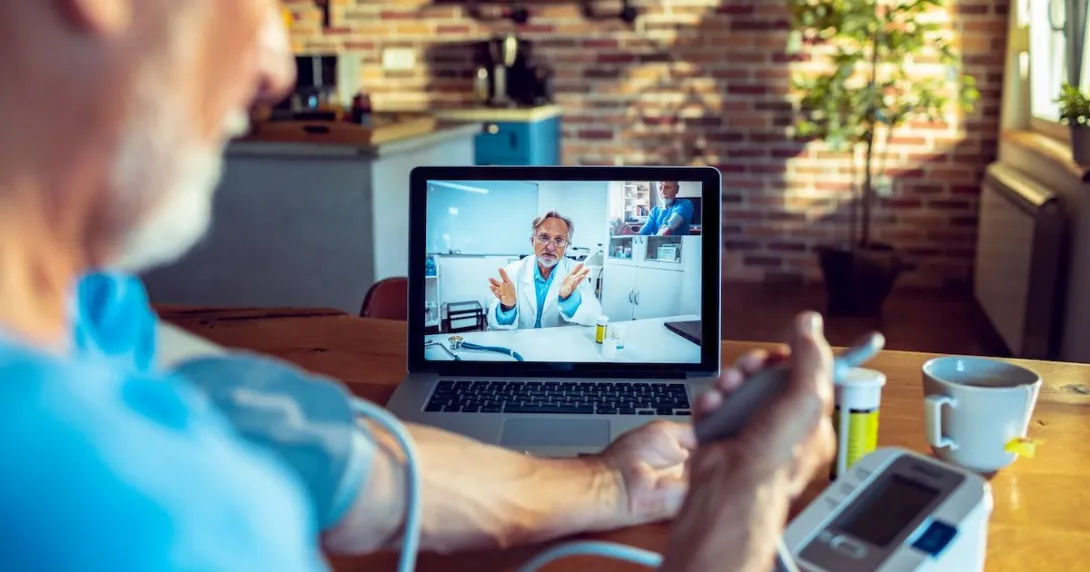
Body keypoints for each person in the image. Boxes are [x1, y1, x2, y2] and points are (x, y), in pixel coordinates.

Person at [0, 2, 836, 571]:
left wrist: (610, 484)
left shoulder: (84, 316)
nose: (276, 66)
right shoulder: (155, 521)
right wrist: (736, 519)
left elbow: (304, 436)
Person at [486, 211, 602, 330]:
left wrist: (569, 299)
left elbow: (593, 317)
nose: (551, 247)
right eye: (544, 238)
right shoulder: (512, 272)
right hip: (520, 344)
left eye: (559, 240)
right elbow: (494, 327)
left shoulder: (575, 274)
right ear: (532, 241)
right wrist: (507, 307)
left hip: (557, 345)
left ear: (566, 246)